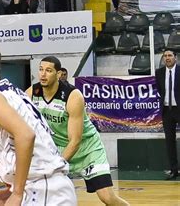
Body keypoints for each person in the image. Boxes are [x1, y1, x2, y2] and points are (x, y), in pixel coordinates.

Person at [0, 41, 76, 206]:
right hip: (48, 186)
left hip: (42, 189)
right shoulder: (11, 90)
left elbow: (26, 135)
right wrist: (12, 190)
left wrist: (17, 192)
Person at [26, 56, 129, 205]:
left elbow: (75, 141)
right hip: (57, 149)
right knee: (45, 194)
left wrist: (55, 165)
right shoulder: (33, 93)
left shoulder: (72, 96)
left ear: (59, 74)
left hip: (87, 149)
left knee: (106, 197)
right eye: (41, 69)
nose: (43, 74)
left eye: (48, 70)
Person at [155, 49, 180, 180]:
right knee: (170, 142)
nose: (167, 58)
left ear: (175, 57)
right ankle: (174, 170)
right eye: (165, 56)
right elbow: (160, 90)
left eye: (170, 55)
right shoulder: (159, 73)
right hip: (167, 111)